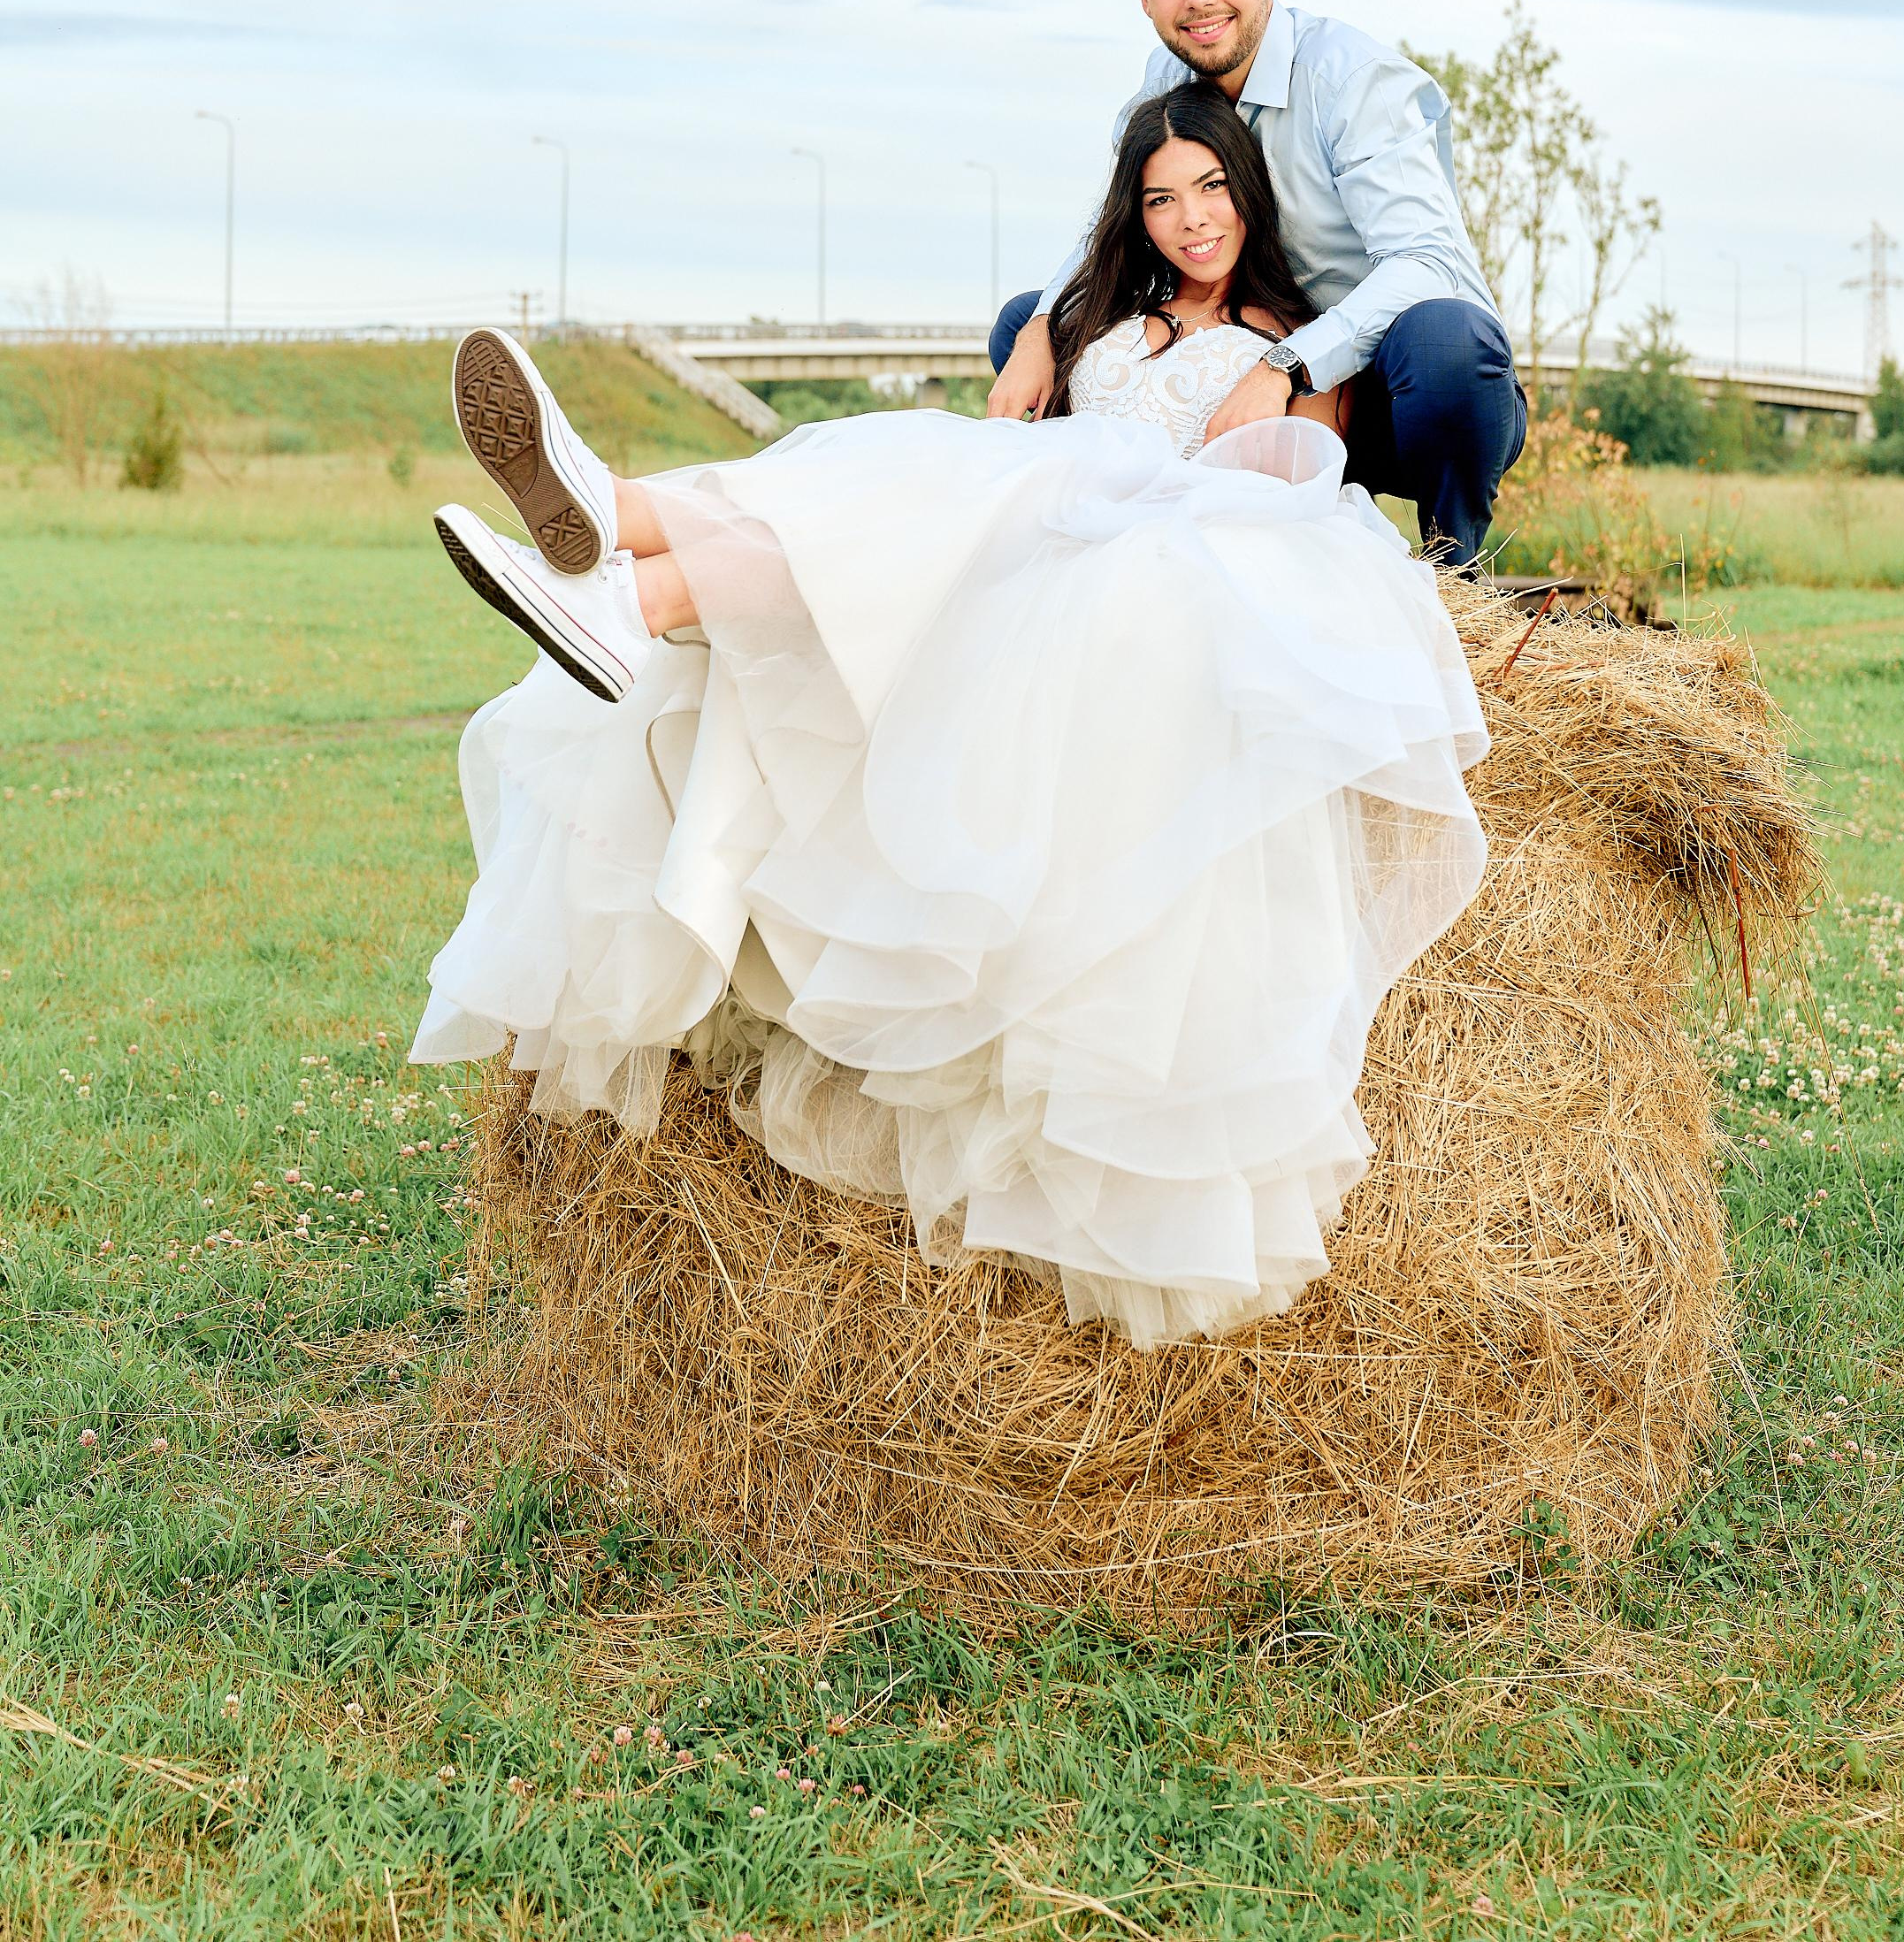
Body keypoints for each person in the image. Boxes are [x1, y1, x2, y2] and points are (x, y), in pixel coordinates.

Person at [414, 88, 1488, 1349]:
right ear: (1131, 215)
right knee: (875, 478)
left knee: (909, 504)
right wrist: (1037, 357)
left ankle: (621, 558)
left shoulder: (1295, 346)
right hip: (1031, 494)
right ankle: (615, 566)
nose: (1188, 218)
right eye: (1159, 197)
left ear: (1249, 198)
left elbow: (1293, 489)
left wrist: (1228, 422)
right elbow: (1007, 426)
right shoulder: (1093, 321)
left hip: (1139, 534)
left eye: (1209, 189)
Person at [989, 0, 1526, 567]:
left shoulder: (1352, 81)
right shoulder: (1167, 77)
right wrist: (1040, 329)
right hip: (1241, 371)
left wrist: (1287, 366)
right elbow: (1113, 229)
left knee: (1444, 339)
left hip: (1392, 391)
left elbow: (1427, 266)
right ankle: (1092, 538)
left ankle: (1452, 567)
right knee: (1030, 319)